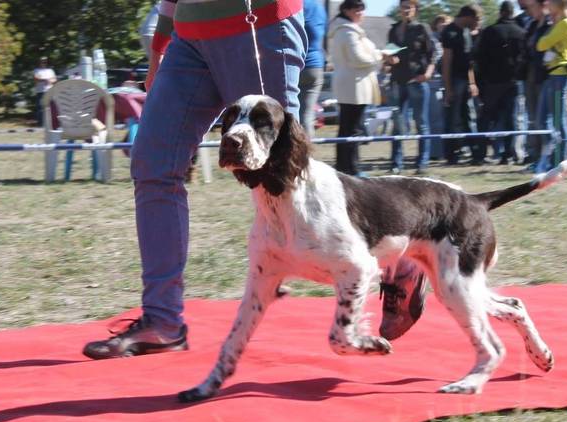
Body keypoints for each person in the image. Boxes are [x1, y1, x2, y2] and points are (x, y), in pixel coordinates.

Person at [82, 0, 308, 359]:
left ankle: (391, 254)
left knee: (284, 173)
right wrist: (159, 49)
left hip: (257, 24)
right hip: (188, 40)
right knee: (153, 164)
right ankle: (162, 322)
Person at [327, 0, 393, 176]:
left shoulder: (347, 30)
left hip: (353, 85)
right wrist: (381, 56)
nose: (362, 13)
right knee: (352, 129)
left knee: (348, 128)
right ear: (347, 11)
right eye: (358, 10)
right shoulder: (347, 32)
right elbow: (358, 59)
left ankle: (345, 166)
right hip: (353, 86)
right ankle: (351, 168)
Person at [386, 0, 435, 174]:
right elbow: (389, 53)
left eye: (409, 7)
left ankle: (422, 163)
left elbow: (433, 54)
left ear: (415, 10)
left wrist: (428, 73)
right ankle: (395, 163)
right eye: (403, 7)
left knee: (421, 123)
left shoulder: (422, 28)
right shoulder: (394, 29)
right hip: (398, 80)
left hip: (417, 80)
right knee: (397, 124)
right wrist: (389, 60)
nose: (406, 10)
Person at [475, 1, 526, 164]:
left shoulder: (490, 31)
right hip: (512, 81)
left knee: (486, 118)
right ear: (512, 13)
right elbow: (524, 59)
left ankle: (480, 153)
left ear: (500, 12)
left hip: (492, 82)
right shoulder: (521, 32)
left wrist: (481, 81)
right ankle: (508, 154)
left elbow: (480, 58)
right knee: (510, 119)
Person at [534, 0, 567, 174]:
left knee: (559, 120)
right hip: (552, 75)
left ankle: (561, 158)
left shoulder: (566, 23)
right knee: (542, 120)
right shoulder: (560, 22)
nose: (546, 5)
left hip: (560, 76)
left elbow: (541, 44)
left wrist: (549, 32)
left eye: (549, 2)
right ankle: (550, 156)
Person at [440, 4, 484, 165]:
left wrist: (472, 82)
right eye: (477, 19)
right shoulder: (449, 32)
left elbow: (469, 62)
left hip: (465, 81)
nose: (478, 23)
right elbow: (446, 62)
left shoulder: (466, 32)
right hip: (454, 80)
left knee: (469, 118)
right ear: (468, 17)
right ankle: (451, 155)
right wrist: (448, 88)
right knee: (452, 119)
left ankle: (475, 154)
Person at [522, 0, 553, 167]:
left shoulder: (551, 23)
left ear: (543, 5)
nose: (529, 9)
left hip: (545, 77)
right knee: (533, 118)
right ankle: (535, 156)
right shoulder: (532, 24)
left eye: (532, 6)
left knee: (544, 120)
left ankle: (547, 157)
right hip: (530, 76)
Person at [298, 0, 327, 137]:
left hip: (294, 64)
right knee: (307, 116)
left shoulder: (296, 4)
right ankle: (305, 155)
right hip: (315, 66)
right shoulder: (318, 7)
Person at [33, 56, 57, 126]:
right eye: (42, 61)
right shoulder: (36, 70)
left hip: (50, 91)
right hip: (40, 91)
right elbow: (36, 79)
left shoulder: (50, 71)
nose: (43, 63)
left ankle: (52, 124)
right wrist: (45, 80)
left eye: (45, 62)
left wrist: (51, 81)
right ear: (39, 62)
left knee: (51, 107)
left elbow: (54, 79)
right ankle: (41, 124)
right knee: (40, 108)